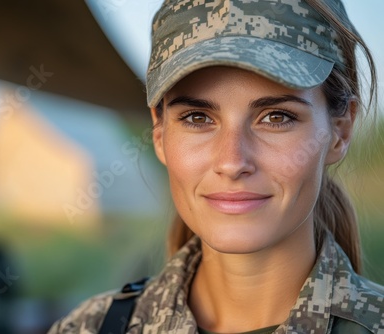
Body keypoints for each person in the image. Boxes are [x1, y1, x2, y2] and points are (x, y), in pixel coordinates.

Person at [49, 0, 384, 333]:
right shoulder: (88, 327)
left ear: (340, 131)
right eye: (198, 118)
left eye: (276, 118)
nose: (232, 162)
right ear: (160, 133)